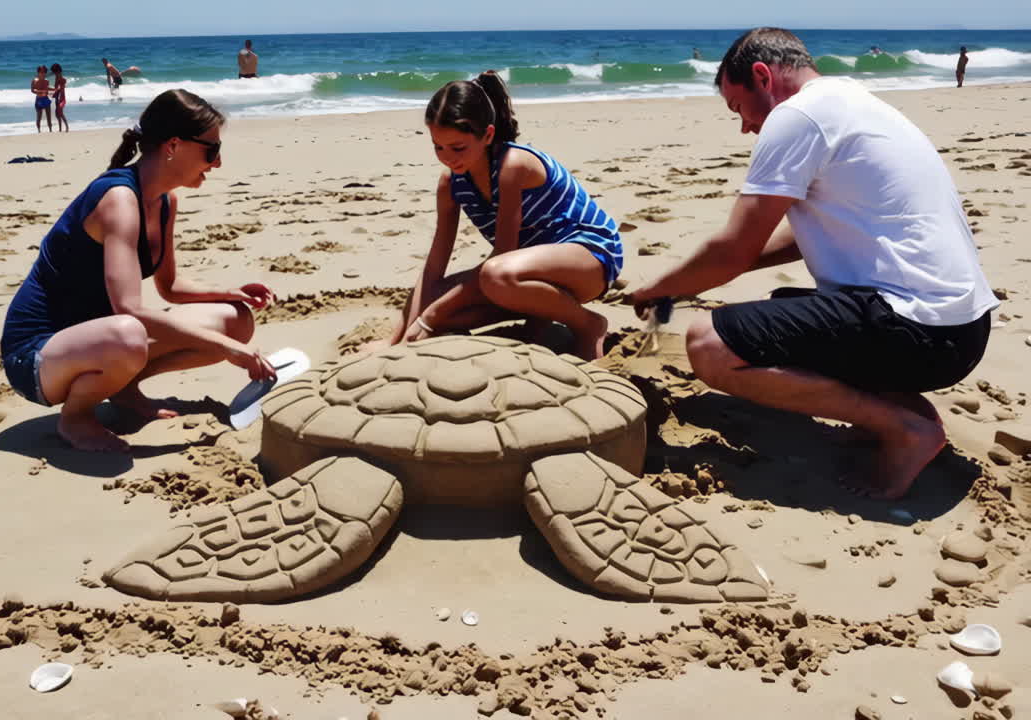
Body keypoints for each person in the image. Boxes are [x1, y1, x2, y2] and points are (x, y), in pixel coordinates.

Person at [626, 27, 998, 500]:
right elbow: (793, 241)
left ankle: (905, 429)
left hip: (918, 329)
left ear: (763, 76)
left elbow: (733, 249)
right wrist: (693, 279)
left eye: (739, 108)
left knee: (709, 343)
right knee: (780, 308)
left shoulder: (797, 116)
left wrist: (659, 288)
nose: (745, 127)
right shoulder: (852, 102)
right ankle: (905, 412)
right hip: (962, 329)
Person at [0, 89, 277, 453]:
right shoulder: (119, 200)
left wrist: (230, 294)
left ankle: (122, 388)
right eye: (212, 151)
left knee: (235, 320)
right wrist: (229, 350)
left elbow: (170, 286)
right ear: (173, 145)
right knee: (130, 333)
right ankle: (76, 417)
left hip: (98, 342)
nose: (217, 163)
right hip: (35, 357)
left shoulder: (164, 202)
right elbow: (128, 309)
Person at [386, 71, 624, 361]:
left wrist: (430, 316)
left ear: (487, 135)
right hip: (527, 269)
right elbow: (434, 267)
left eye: (458, 147)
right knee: (440, 300)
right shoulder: (451, 183)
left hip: (590, 257)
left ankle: (588, 324)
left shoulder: (512, 166)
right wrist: (397, 339)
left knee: (493, 276)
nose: (448, 157)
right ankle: (539, 317)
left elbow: (502, 254)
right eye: (438, 147)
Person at [32, 65, 53, 132]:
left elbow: (47, 88)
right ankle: (39, 131)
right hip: (39, 100)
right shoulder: (35, 80)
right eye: (41, 72)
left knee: (49, 116)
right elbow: (32, 90)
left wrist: (54, 89)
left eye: (44, 72)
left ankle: (50, 130)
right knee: (39, 116)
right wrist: (40, 92)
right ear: (38, 72)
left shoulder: (47, 81)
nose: (43, 73)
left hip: (46, 99)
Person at [51, 63, 69, 132]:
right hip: (58, 98)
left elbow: (60, 88)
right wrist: (55, 93)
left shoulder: (60, 78)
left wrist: (56, 92)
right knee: (57, 114)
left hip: (61, 98)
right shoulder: (58, 77)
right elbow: (57, 88)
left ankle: (66, 127)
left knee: (60, 113)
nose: (54, 73)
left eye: (54, 72)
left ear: (57, 71)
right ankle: (60, 129)